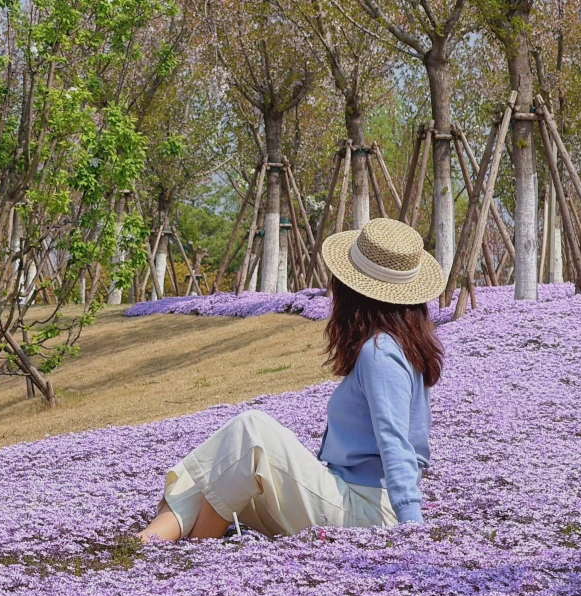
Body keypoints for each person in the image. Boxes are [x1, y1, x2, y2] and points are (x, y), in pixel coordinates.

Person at [138, 217, 446, 543]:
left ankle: (192, 554)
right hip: (352, 497)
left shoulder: (380, 352)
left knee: (251, 430)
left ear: (354, 291)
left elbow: (396, 446)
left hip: (368, 512)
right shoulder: (398, 346)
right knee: (220, 467)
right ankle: (151, 541)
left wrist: (412, 533)